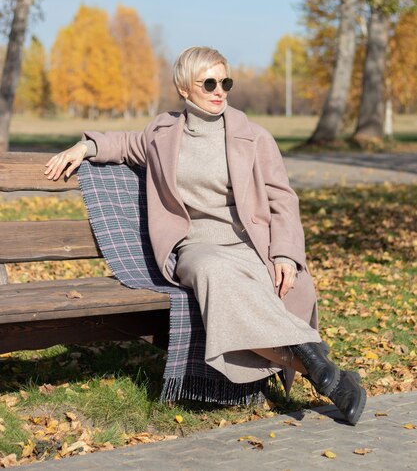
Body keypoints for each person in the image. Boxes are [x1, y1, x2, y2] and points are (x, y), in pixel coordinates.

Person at [45, 46, 366, 425]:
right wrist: (85, 146)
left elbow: (282, 198)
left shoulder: (254, 136)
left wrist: (285, 254)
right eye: (209, 83)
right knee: (212, 273)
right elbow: (121, 143)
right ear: (184, 88)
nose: (219, 91)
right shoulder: (161, 134)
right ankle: (317, 364)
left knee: (254, 290)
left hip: (250, 244)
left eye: (225, 82)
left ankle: (323, 373)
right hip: (197, 245)